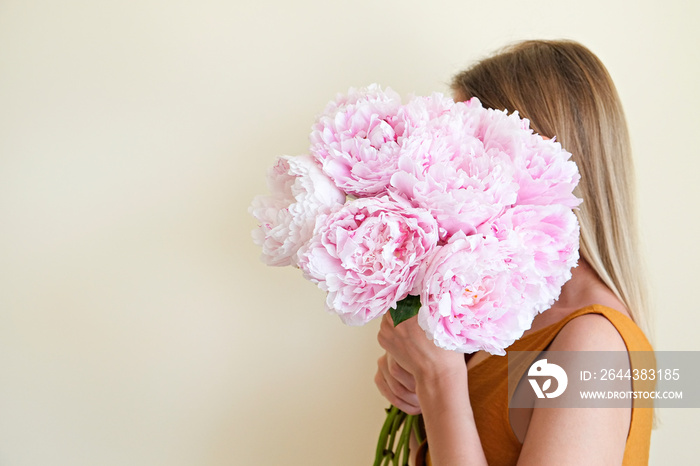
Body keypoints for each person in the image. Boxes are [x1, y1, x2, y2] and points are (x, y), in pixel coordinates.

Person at [375, 39, 654, 466]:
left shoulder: (591, 348)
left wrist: (439, 381)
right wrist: (420, 387)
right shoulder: (503, 312)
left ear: (543, 161)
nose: (450, 178)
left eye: (468, 154)